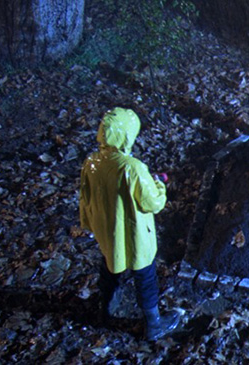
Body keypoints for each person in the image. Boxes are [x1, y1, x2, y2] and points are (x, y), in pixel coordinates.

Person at [79, 107, 179, 341]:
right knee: (144, 275)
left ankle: (105, 309)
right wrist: (160, 186)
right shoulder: (132, 167)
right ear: (126, 136)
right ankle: (154, 325)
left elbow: (86, 197)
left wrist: (89, 223)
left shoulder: (91, 162)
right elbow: (152, 203)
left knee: (109, 265)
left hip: (107, 231)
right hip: (135, 235)